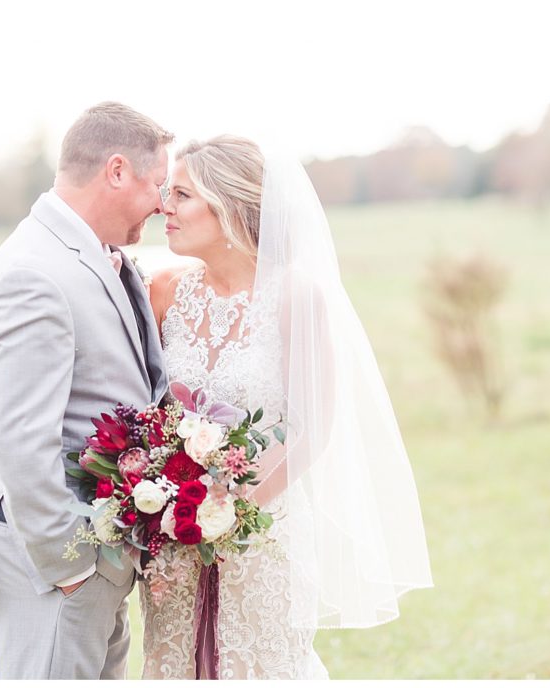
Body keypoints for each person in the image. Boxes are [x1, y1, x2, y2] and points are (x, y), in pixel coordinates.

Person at [142, 136, 434, 679]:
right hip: (173, 538)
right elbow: (151, 414)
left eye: (181, 195)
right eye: (165, 193)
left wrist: (229, 513)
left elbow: (311, 426)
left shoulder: (295, 297)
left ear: (228, 205)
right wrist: (168, 507)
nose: (165, 207)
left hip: (263, 534)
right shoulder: (163, 292)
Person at [0, 102, 172, 679]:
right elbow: (20, 439)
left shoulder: (90, 254)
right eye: (157, 183)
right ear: (115, 171)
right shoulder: (34, 272)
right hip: (58, 562)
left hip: (98, 555)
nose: (162, 201)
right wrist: (73, 564)